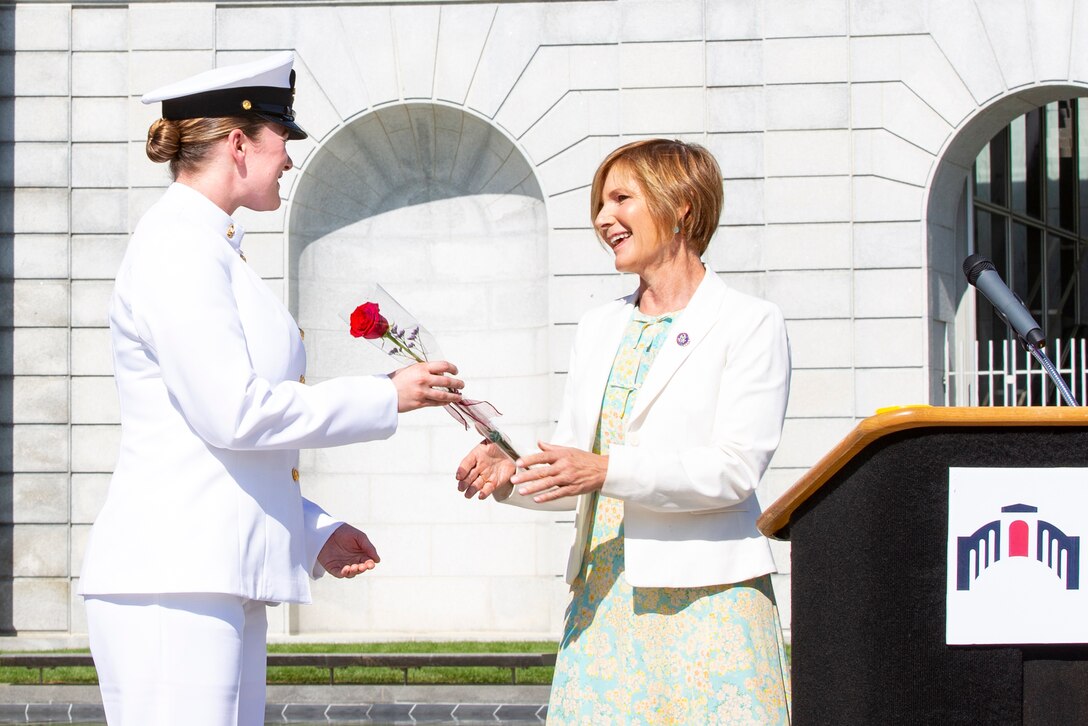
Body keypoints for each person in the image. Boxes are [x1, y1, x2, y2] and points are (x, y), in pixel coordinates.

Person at [78, 52, 464, 726]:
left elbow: (209, 441)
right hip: (176, 580)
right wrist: (384, 395)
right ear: (238, 142)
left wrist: (309, 528)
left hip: (207, 573)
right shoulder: (179, 248)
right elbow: (234, 413)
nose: (288, 157)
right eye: (281, 137)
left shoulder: (211, 247)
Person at [456, 139, 792, 723]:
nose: (602, 218)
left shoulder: (750, 322)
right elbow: (573, 465)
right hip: (603, 601)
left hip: (710, 604)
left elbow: (735, 470)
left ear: (682, 203)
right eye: (599, 203)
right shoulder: (599, 326)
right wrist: (511, 473)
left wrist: (607, 471)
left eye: (620, 199)